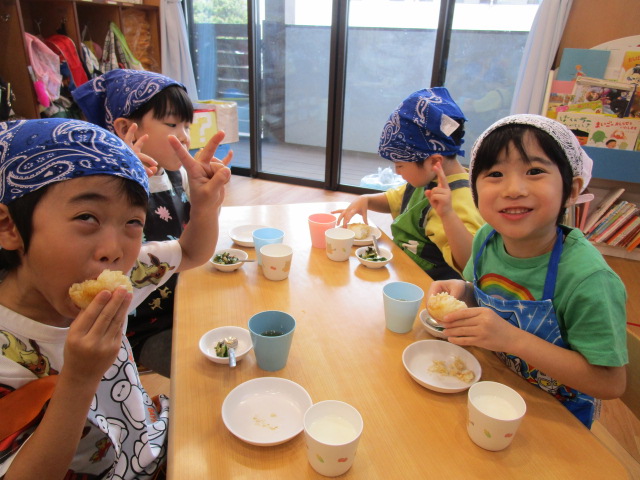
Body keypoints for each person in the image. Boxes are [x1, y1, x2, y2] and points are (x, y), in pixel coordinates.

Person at [0, 118, 230, 478]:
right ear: (9, 226)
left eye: (132, 223)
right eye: (87, 217)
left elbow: (190, 252)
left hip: (147, 441)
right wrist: (79, 378)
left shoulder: (123, 276)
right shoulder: (8, 356)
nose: (113, 251)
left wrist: (205, 207)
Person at [426, 114, 628, 428]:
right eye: (495, 174)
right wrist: (463, 291)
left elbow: (610, 383)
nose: (514, 189)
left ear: (571, 190)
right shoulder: (486, 239)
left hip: (555, 416)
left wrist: (512, 339)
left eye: (534, 171)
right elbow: (486, 295)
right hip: (494, 389)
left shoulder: (588, 279)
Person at [72, 69, 231, 376]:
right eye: (172, 125)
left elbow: (195, 242)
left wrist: (210, 202)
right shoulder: (102, 190)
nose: (184, 136)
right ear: (125, 128)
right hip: (143, 328)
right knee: (208, 374)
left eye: (186, 126)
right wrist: (122, 187)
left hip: (186, 295)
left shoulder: (177, 174)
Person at [334, 87, 484, 280]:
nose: (397, 171)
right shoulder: (427, 179)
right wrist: (367, 200)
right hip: (402, 268)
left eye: (400, 165)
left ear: (434, 162)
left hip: (427, 285)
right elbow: (394, 199)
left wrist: (447, 214)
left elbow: (471, 265)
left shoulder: (460, 202)